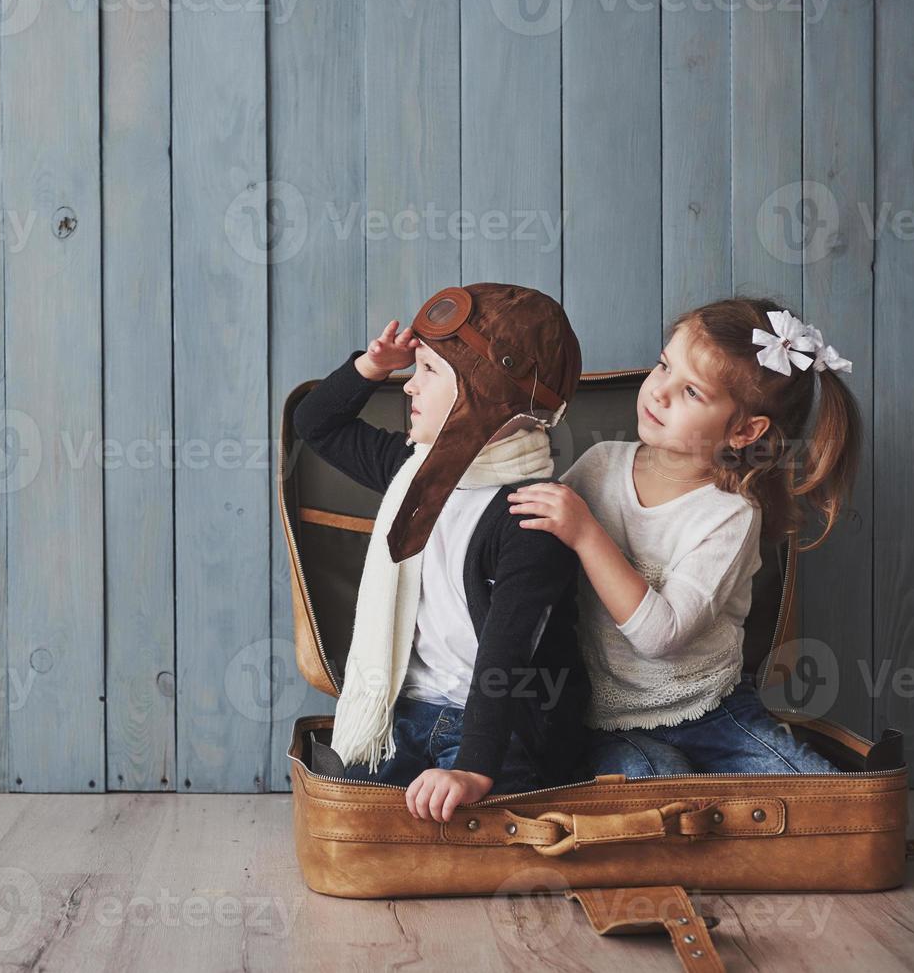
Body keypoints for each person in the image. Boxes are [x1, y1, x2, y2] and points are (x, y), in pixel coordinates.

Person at [509, 298, 860, 777]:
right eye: (663, 366)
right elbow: (525, 536)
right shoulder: (600, 465)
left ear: (744, 430)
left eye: (692, 392)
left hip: (709, 711)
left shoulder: (729, 514)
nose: (659, 392)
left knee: (818, 792)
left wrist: (586, 534)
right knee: (654, 785)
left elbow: (661, 635)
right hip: (607, 722)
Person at [292, 283, 588, 821]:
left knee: (491, 806)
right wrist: (371, 366)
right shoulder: (412, 470)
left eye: (429, 372)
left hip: (498, 724)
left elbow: (507, 656)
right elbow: (315, 424)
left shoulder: (530, 517)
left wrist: (475, 767)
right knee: (340, 799)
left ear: (486, 392)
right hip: (406, 714)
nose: (409, 387)